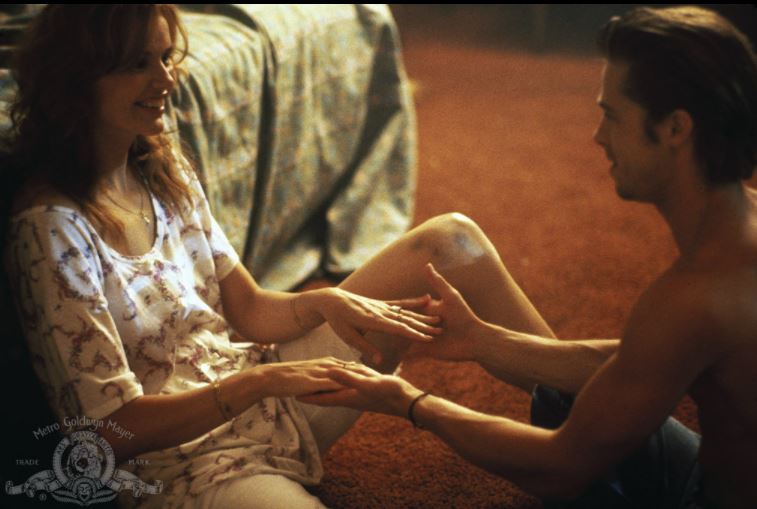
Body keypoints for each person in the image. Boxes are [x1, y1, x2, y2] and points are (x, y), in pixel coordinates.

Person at [0, 4, 522, 508]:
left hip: (265, 399)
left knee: (452, 241)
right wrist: (255, 384)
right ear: (77, 78)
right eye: (139, 63)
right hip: (183, 471)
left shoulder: (159, 163)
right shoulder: (50, 231)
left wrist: (324, 303)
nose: (166, 79)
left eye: (166, 57)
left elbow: (248, 308)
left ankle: (565, 411)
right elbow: (107, 434)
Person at [302, 6, 757, 509]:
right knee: (570, 392)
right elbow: (639, 358)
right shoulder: (741, 231)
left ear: (675, 128)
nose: (598, 136)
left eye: (612, 116)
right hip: (707, 466)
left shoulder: (693, 296)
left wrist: (411, 403)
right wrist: (484, 340)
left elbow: (559, 469)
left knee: (575, 441)